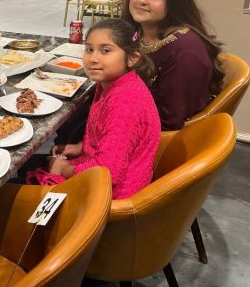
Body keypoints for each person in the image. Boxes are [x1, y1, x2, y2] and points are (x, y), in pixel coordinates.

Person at [27, 19, 161, 200]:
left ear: (132, 58)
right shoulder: (109, 83)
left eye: (105, 50)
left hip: (108, 197)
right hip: (99, 173)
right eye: (89, 49)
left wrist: (64, 169)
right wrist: (79, 147)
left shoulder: (125, 102)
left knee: (5, 193)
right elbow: (106, 136)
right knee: (28, 165)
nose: (93, 58)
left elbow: (107, 173)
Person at [122, 0, 224, 130]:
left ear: (174, 3)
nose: (142, 0)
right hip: (129, 116)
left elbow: (168, 122)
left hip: (154, 141)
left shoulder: (184, 52)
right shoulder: (140, 33)